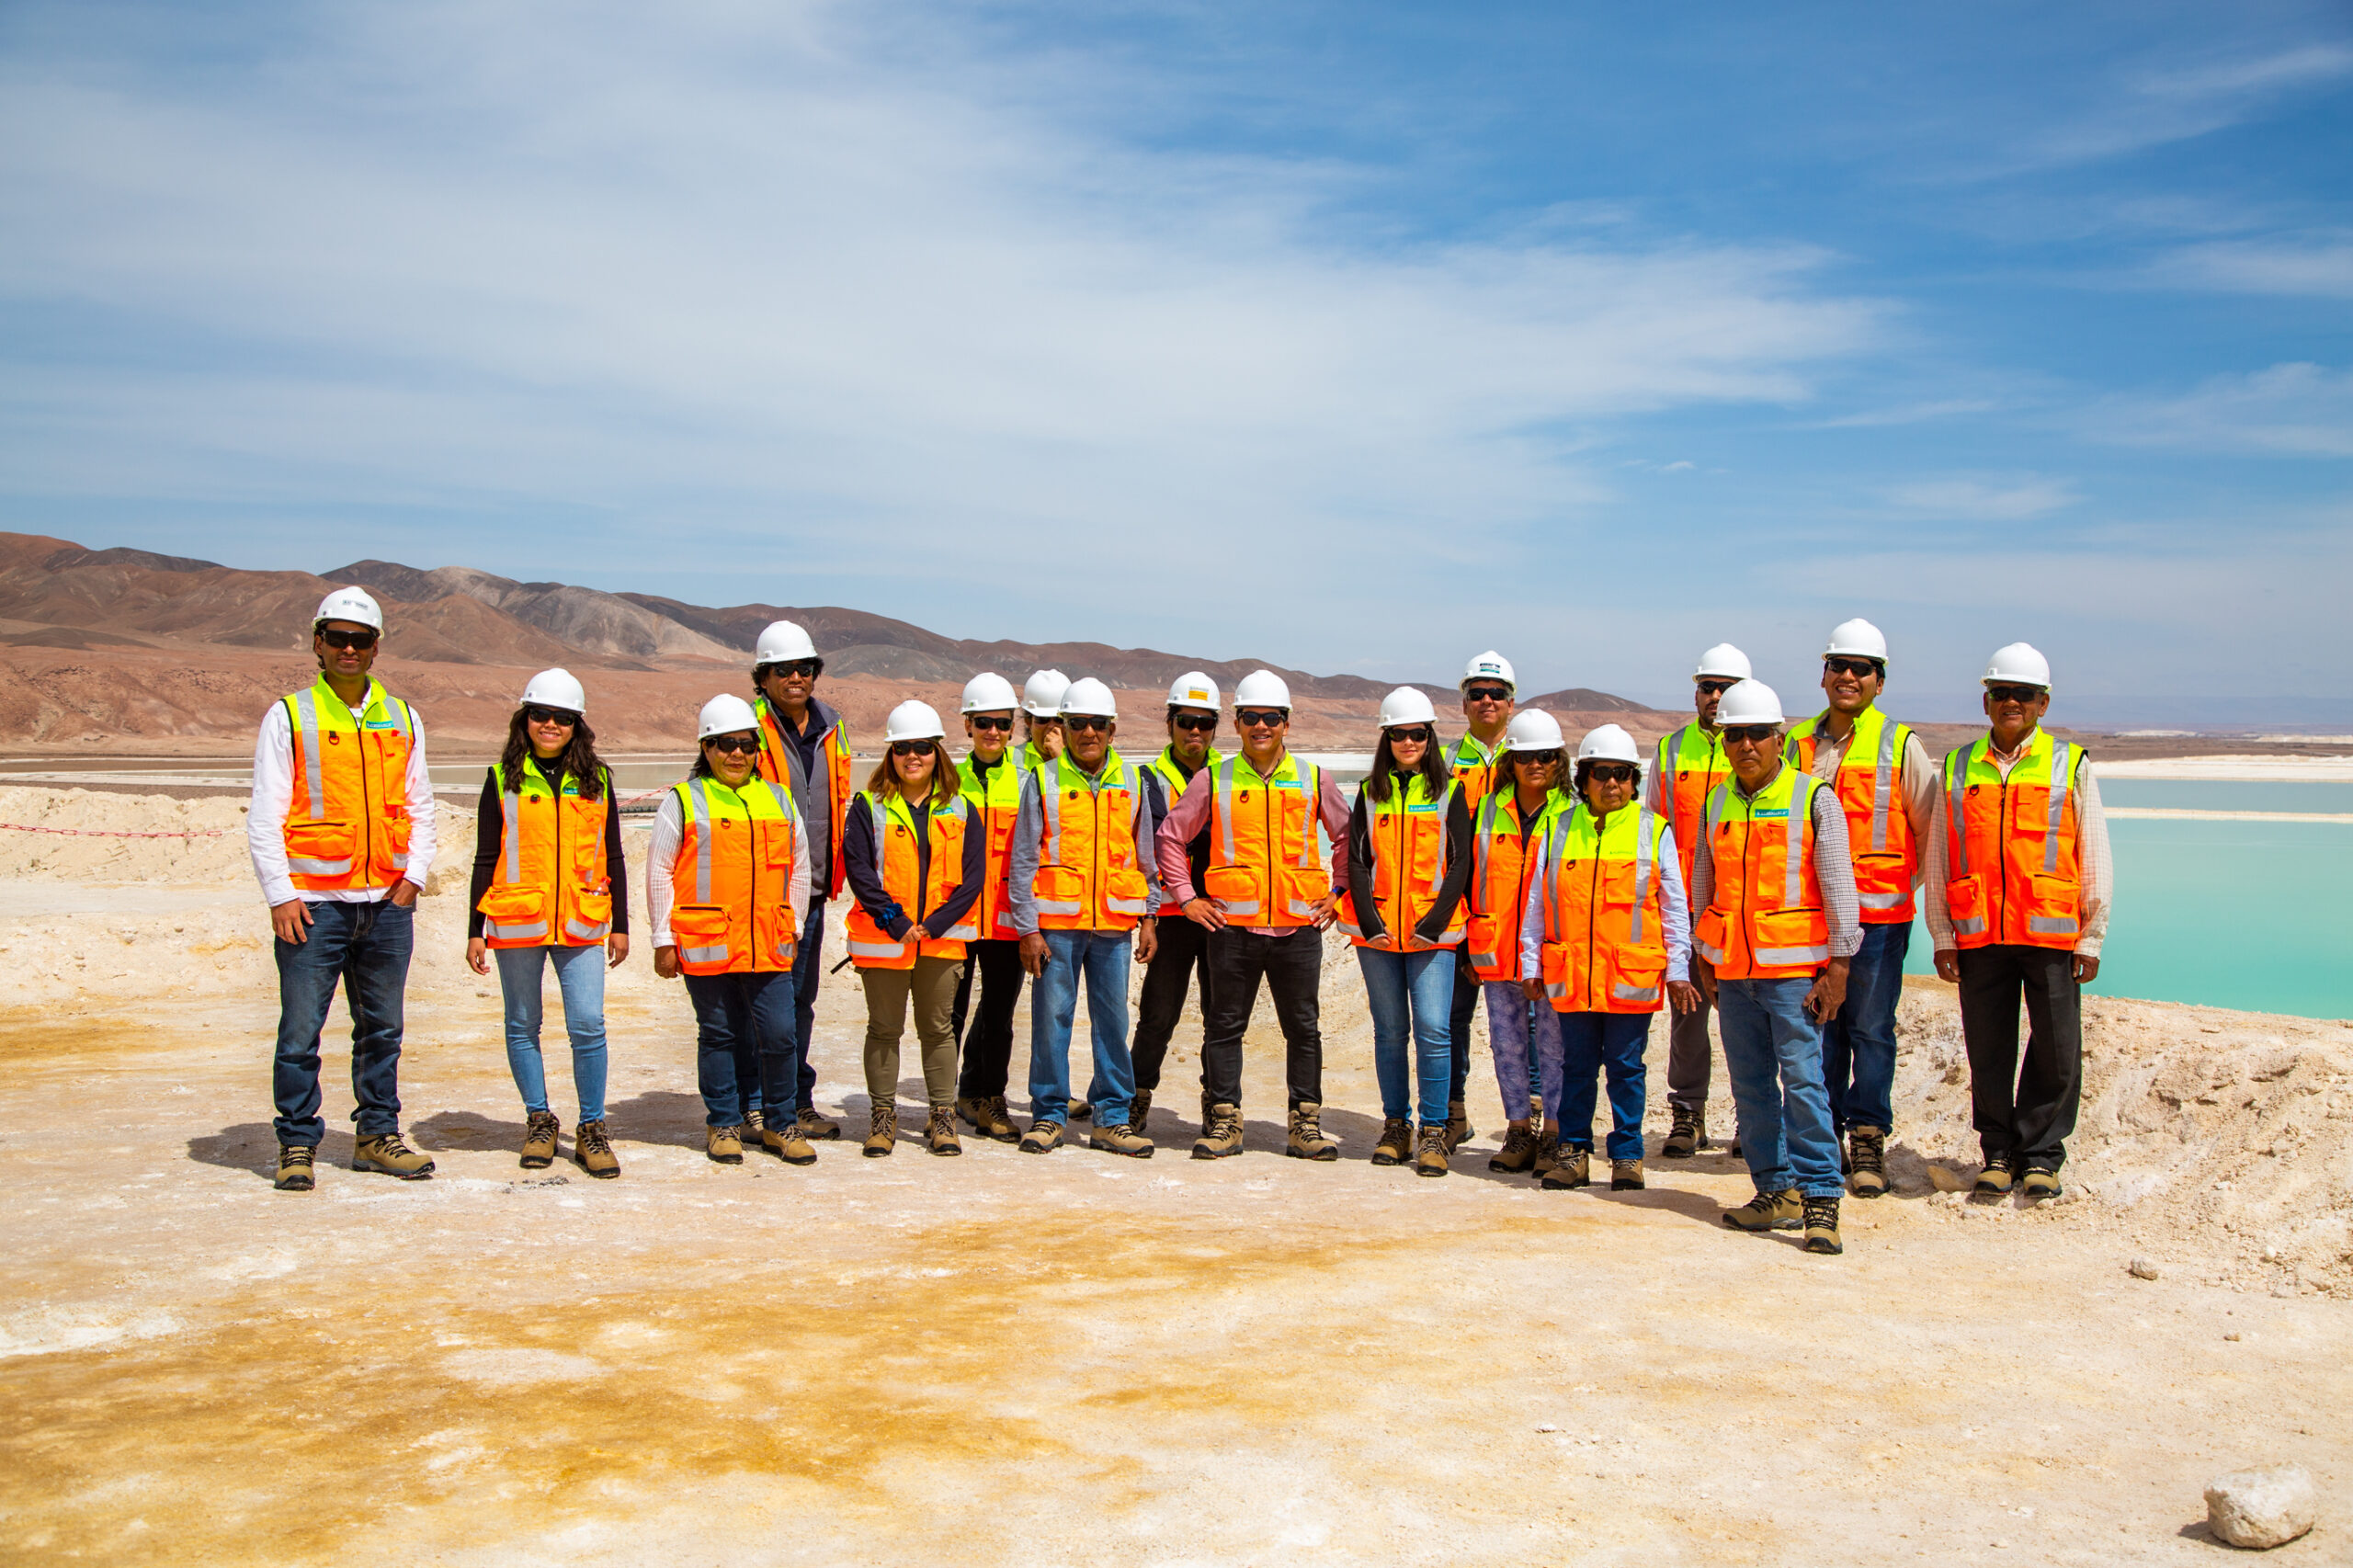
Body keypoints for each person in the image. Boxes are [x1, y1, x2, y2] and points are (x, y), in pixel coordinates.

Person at [250, 587, 438, 1191]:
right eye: (338, 638)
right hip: (314, 904)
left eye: (360, 640)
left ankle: (377, 1134)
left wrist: (414, 876)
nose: (349, 649)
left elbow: (421, 803)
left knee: (382, 1027)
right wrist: (280, 893)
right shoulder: (290, 715)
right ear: (318, 642)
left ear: (376, 647)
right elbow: (266, 812)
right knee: (302, 1029)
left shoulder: (402, 716)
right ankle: (297, 1142)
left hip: (385, 903)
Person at [1926, 643, 2111, 1200]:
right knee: (1988, 1049)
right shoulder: (1959, 766)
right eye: (2001, 693)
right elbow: (1940, 854)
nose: (2012, 702)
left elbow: (2094, 850)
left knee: (2056, 1048)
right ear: (1986, 701)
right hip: (1979, 934)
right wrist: (1942, 934)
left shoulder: (2069, 763)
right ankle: (1998, 1152)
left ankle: (2042, 1155)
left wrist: (2092, 934)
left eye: (2023, 694)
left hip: (2051, 933)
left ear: (2043, 703)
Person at [1688, 679, 1860, 1256]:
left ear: (1778, 737)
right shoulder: (1716, 801)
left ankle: (1819, 1198)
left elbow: (1840, 887)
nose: (1745, 745)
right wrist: (1703, 956)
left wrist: (1838, 967)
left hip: (1793, 974)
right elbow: (1703, 887)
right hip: (1734, 971)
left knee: (1805, 1082)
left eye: (1756, 733)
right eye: (1734, 735)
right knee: (1751, 1086)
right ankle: (1774, 1190)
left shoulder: (1815, 798)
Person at [1155, 670, 1353, 1161]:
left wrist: (1340, 893)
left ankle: (1305, 1125)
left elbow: (1350, 838)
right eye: (1251, 718)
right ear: (1238, 724)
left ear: (1286, 723)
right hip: (1233, 929)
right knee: (1225, 1027)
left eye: (1271, 718)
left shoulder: (1313, 778)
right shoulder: (1214, 779)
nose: (1261, 726)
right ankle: (1225, 1122)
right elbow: (1169, 838)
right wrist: (1186, 897)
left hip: (1297, 928)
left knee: (1303, 1029)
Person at [1782, 619, 1936, 1199]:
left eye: (1862, 668)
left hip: (1878, 921)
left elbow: (1927, 833)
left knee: (1870, 1030)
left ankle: (1867, 1134)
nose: (1849, 676)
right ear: (1823, 672)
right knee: (1816, 1030)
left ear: (1879, 680)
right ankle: (1821, 1142)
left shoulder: (1901, 744)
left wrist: (1895, 887)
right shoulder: (1794, 744)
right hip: (1809, 920)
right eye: (1839, 665)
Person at [464, 668, 629, 1178]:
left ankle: (592, 1128)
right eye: (540, 715)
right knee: (521, 1025)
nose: (550, 724)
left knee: (588, 1026)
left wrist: (620, 924)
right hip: (517, 922)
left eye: (561, 717)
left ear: (577, 724)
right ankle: (539, 1120)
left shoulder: (597, 780)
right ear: (525, 720)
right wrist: (475, 928)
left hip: (582, 921)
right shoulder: (501, 779)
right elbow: (485, 856)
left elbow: (614, 855)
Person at [1519, 724, 1698, 1192]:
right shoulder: (1558, 829)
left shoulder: (1652, 831)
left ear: (1634, 780)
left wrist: (1678, 970)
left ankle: (1626, 1156)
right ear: (1583, 778)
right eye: (1601, 773)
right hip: (1572, 976)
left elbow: (1674, 908)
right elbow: (1536, 904)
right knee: (1575, 1066)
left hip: (1629, 978)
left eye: (1621, 773)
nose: (1612, 783)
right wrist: (1530, 963)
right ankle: (1574, 1153)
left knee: (1625, 1068)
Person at [651, 695, 814, 1167]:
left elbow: (799, 867)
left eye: (746, 744)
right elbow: (660, 870)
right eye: (724, 744)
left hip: (769, 940)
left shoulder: (778, 799)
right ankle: (723, 1122)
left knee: (781, 1035)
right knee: (719, 1035)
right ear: (706, 747)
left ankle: (781, 1123)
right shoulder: (684, 800)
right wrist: (663, 939)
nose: (736, 753)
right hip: (706, 943)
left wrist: (796, 920)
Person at [1009, 677, 1161, 1156]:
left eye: (1097, 724)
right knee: (1052, 1018)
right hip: (1057, 926)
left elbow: (1146, 858)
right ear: (1066, 727)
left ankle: (1112, 1118)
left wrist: (1150, 917)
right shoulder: (1044, 778)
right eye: (1078, 724)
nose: (1088, 732)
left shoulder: (1135, 781)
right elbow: (1023, 860)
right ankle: (1049, 1114)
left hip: (1114, 927)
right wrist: (1028, 927)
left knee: (1112, 1022)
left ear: (1112, 730)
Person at [842, 700, 985, 1157]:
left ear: (937, 752)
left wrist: (936, 925)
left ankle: (942, 1118)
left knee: (938, 1030)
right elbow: (859, 870)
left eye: (922, 747)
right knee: (884, 1029)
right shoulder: (869, 806)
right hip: (887, 939)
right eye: (902, 748)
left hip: (940, 942)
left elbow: (973, 876)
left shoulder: (962, 807)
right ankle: (882, 1118)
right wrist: (897, 922)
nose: (912, 756)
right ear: (891, 754)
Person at [1340, 688, 1473, 1176]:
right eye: (1399, 734)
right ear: (1387, 737)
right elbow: (1356, 859)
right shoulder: (1368, 792)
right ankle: (1397, 1125)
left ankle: (1435, 1131)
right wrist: (1370, 923)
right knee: (1391, 1033)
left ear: (1430, 736)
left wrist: (1434, 923)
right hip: (1377, 936)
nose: (1408, 741)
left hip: (1430, 935)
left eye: (1417, 733)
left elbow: (1460, 863)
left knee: (1435, 1032)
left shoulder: (1448, 792)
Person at [749, 619, 850, 1144]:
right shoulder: (744, 729)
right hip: (756, 894)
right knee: (761, 1001)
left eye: (805, 669)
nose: (796, 677)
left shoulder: (832, 728)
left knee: (798, 1001)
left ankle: (794, 1099)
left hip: (809, 893)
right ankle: (755, 1103)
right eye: (783, 669)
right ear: (762, 676)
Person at [1647, 642, 1750, 1160]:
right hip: (1685, 910)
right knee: (1688, 1018)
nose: (1715, 696)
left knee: (1750, 1022)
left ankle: (1751, 1118)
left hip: (1741, 912)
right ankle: (1688, 1114)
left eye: (1726, 688)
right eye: (1708, 687)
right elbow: (1651, 834)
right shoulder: (1670, 752)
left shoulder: (1762, 747)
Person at [1466, 709, 1571, 1174]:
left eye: (1545, 756)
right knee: (1506, 1044)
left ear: (1559, 760)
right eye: (1525, 756)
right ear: (1512, 760)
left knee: (1553, 1046)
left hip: (1551, 952)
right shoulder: (1487, 809)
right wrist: (1466, 942)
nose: (1535, 765)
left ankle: (1552, 1133)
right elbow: (1468, 876)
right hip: (1496, 946)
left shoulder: (1574, 811)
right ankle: (1517, 1129)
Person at [1124, 671, 1224, 1133]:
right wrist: (1146, 917)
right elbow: (1141, 856)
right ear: (1170, 723)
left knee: (1221, 1017)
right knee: (1157, 1014)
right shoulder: (1147, 780)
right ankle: (1135, 1095)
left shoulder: (1230, 776)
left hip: (1222, 916)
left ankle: (1217, 1101)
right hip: (1169, 914)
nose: (1195, 732)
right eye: (1186, 721)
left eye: (1205, 723)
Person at [1442, 650, 1518, 1149]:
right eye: (1477, 694)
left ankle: (1531, 1123)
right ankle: (1452, 1113)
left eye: (1496, 694)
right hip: (1455, 911)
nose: (1487, 701)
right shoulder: (1446, 761)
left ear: (1512, 703)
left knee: (1526, 1024)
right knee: (1451, 1018)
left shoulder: (1533, 756)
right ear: (1464, 702)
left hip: (1515, 913)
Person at [949, 672, 1027, 1142]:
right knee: (950, 1015)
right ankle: (947, 1100)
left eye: (1002, 723)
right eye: (984, 722)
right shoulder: (947, 782)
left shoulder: (1026, 781)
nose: (993, 732)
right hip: (955, 921)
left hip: (1005, 919)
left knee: (998, 1014)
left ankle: (988, 1098)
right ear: (968, 725)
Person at [1019, 669, 1070, 770]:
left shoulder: (1087, 761)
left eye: (1059, 719)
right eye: (1043, 719)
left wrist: (1061, 759)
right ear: (1029, 721)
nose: (1051, 726)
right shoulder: (1008, 758)